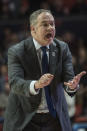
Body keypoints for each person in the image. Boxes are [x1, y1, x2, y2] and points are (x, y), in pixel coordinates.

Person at [3, 9, 86, 131]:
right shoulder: (17, 51)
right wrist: (36, 84)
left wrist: (72, 86)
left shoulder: (62, 48)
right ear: (33, 29)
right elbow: (15, 83)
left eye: (52, 24)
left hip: (54, 117)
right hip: (25, 118)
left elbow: (69, 79)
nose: (50, 28)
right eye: (45, 24)